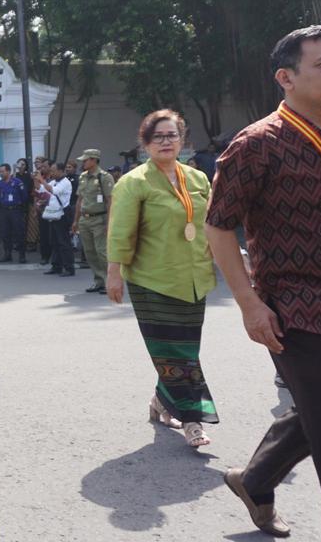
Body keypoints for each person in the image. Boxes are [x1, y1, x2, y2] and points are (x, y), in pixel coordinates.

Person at [205, 24, 321, 540]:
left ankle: (254, 478)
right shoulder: (255, 144)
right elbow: (219, 225)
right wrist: (249, 305)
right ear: (286, 77)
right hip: (296, 311)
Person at [106, 110, 219, 449]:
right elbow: (120, 231)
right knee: (175, 353)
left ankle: (161, 401)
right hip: (151, 280)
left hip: (195, 277)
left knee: (183, 352)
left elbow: (211, 225)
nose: (166, 142)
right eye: (159, 137)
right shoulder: (134, 182)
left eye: (172, 135)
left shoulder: (198, 179)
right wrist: (114, 273)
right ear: (146, 143)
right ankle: (192, 420)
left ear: (183, 140)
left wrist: (234, 256)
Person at [73, 149, 114, 293]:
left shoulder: (105, 177)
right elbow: (80, 200)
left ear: (94, 160)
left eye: (85, 160)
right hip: (85, 219)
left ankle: (110, 282)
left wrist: (109, 223)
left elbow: (110, 201)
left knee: (101, 252)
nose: (83, 163)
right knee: (89, 252)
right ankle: (99, 281)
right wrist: (75, 221)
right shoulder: (83, 177)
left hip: (99, 219)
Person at [37, 162, 75, 276]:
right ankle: (56, 266)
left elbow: (54, 191)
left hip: (62, 215)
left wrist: (42, 180)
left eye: (53, 171)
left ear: (61, 171)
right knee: (54, 242)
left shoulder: (65, 182)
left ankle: (69, 268)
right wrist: (37, 178)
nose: (51, 173)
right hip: (54, 215)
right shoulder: (55, 181)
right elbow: (42, 190)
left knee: (64, 242)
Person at [0, 162, 27, 263]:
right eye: (0, 172)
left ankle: (22, 255)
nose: (0, 173)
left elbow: (24, 196)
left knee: (19, 233)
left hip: (15, 210)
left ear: (8, 171)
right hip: (3, 211)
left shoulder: (17, 182)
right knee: (5, 234)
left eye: (2, 171)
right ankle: (7, 254)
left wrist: (20, 207)